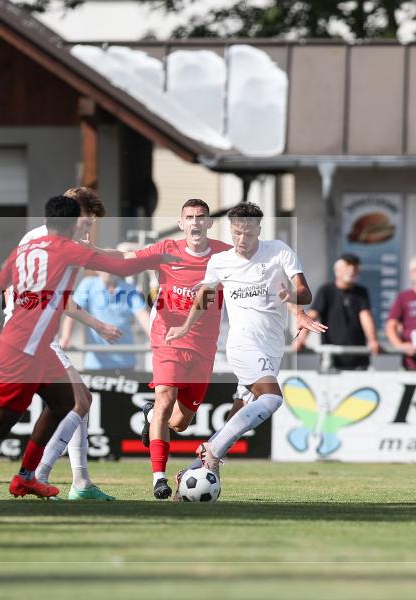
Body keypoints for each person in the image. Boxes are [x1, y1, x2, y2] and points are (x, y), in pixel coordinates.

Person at [0, 195, 169, 502]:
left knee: (67, 402)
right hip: (26, 348)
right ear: (70, 222)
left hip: (34, 346)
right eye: (83, 220)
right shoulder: (68, 248)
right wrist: (163, 257)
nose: (87, 225)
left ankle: (27, 477)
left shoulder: (23, 250)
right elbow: (118, 266)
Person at [165, 202, 326, 488]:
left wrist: (293, 300)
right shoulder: (221, 261)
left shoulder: (278, 250)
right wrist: (186, 327)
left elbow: (305, 292)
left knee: (238, 412)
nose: (242, 239)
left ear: (258, 230)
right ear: (231, 230)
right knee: (272, 398)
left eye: (248, 233)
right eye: (237, 233)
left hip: (271, 347)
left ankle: (192, 472)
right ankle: (212, 454)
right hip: (242, 345)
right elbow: (205, 293)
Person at [0, 187, 123, 501]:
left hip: (38, 333)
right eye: (85, 221)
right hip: (29, 334)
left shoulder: (61, 241)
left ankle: (75, 481)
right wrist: (99, 324)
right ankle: (37, 477)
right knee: (77, 402)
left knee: (78, 401)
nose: (87, 229)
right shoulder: (47, 242)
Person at [128, 198, 232, 499]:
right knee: (165, 398)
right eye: (190, 217)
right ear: (181, 222)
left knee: (180, 423)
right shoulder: (166, 250)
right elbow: (126, 257)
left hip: (203, 346)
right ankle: (158, 478)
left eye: (201, 217)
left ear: (209, 223)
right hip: (167, 336)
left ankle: (150, 417)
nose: (196, 222)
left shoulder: (225, 254)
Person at [291, 253, 379, 369]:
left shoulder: (361, 292)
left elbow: (366, 317)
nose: (351, 270)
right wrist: (301, 339)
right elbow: (312, 316)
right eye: (347, 266)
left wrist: (373, 341)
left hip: (358, 357)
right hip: (331, 358)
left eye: (354, 267)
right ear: (337, 270)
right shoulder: (326, 291)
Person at [63, 271, 150, 371]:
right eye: (105, 264)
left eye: (113, 264)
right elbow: (73, 311)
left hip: (126, 362)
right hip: (95, 363)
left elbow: (142, 314)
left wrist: (153, 338)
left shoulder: (129, 288)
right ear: (97, 269)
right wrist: (66, 337)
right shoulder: (88, 284)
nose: (110, 269)